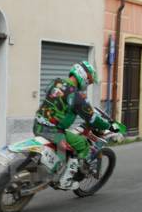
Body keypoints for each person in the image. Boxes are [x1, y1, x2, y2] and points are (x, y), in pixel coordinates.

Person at [33, 61, 119, 189]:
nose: (88, 83)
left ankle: (50, 168)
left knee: (65, 145)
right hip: (54, 131)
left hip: (38, 124)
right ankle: (65, 181)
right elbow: (92, 119)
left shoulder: (56, 82)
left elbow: (51, 95)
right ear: (83, 75)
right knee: (81, 145)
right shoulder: (77, 96)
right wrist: (109, 126)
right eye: (89, 80)